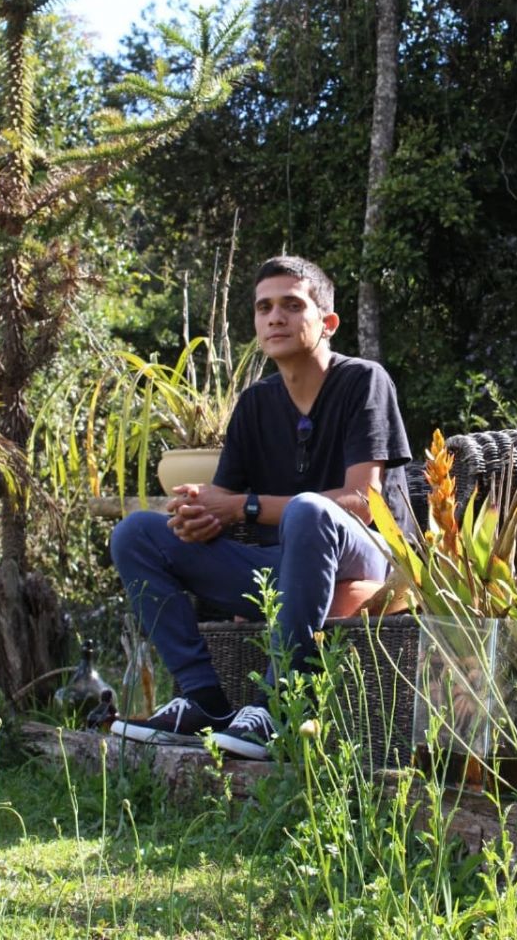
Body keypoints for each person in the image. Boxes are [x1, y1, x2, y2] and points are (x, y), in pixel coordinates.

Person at [109, 254, 413, 759]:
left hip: (367, 561)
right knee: (135, 534)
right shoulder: (255, 404)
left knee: (310, 512)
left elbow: (363, 501)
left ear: (328, 322)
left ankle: (278, 706)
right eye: (264, 307)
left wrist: (242, 508)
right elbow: (224, 507)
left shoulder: (364, 381)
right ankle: (202, 699)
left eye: (292, 305)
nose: (275, 318)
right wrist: (197, 516)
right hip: (279, 570)